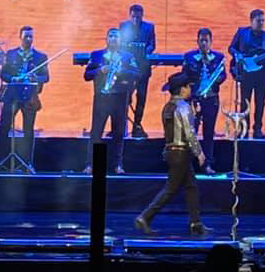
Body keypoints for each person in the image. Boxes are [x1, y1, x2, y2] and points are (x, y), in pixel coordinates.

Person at [135, 71, 209, 236]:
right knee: (170, 189)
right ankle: (145, 217)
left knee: (191, 186)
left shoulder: (168, 106)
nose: (190, 89)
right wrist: (199, 152)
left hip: (172, 151)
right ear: (182, 89)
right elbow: (189, 132)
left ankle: (196, 223)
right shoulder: (183, 107)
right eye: (188, 87)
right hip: (181, 153)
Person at [0, 26, 49, 171]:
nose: (29, 39)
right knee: (4, 128)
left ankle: (27, 163)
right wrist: (13, 78)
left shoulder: (40, 57)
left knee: (28, 130)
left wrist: (36, 77)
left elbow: (46, 77)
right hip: (12, 96)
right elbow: (3, 74)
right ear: (20, 37)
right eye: (26, 37)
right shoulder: (11, 54)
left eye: (31, 37)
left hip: (30, 97)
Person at [84, 28, 139, 174]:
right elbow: (87, 75)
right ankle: (91, 164)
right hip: (101, 98)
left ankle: (118, 165)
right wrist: (100, 70)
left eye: (116, 36)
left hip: (120, 98)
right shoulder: (96, 55)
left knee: (118, 133)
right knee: (96, 132)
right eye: (111, 36)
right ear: (106, 39)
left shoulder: (127, 56)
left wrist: (121, 72)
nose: (113, 39)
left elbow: (136, 73)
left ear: (120, 40)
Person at [229, 9, 265, 139]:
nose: (261, 23)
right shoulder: (242, 33)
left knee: (260, 103)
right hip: (246, 74)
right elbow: (231, 48)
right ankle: (243, 129)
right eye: (258, 20)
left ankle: (258, 129)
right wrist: (238, 55)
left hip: (262, 75)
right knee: (245, 103)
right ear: (251, 21)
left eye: (263, 21)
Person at [182, 28, 227, 174]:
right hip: (194, 100)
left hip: (211, 99)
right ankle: (188, 165)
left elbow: (224, 75)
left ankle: (207, 165)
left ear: (210, 42)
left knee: (209, 133)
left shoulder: (218, 57)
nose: (203, 43)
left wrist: (216, 79)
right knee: (191, 133)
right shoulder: (189, 57)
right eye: (201, 40)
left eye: (206, 40)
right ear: (197, 41)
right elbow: (184, 76)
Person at [120, 4, 156, 138]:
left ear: (142, 16)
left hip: (143, 68)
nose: (135, 19)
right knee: (124, 97)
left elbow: (152, 44)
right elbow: (121, 44)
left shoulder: (149, 27)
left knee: (141, 97)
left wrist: (144, 53)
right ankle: (120, 125)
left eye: (138, 17)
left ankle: (137, 125)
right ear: (130, 16)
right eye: (133, 17)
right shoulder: (124, 26)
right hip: (127, 69)